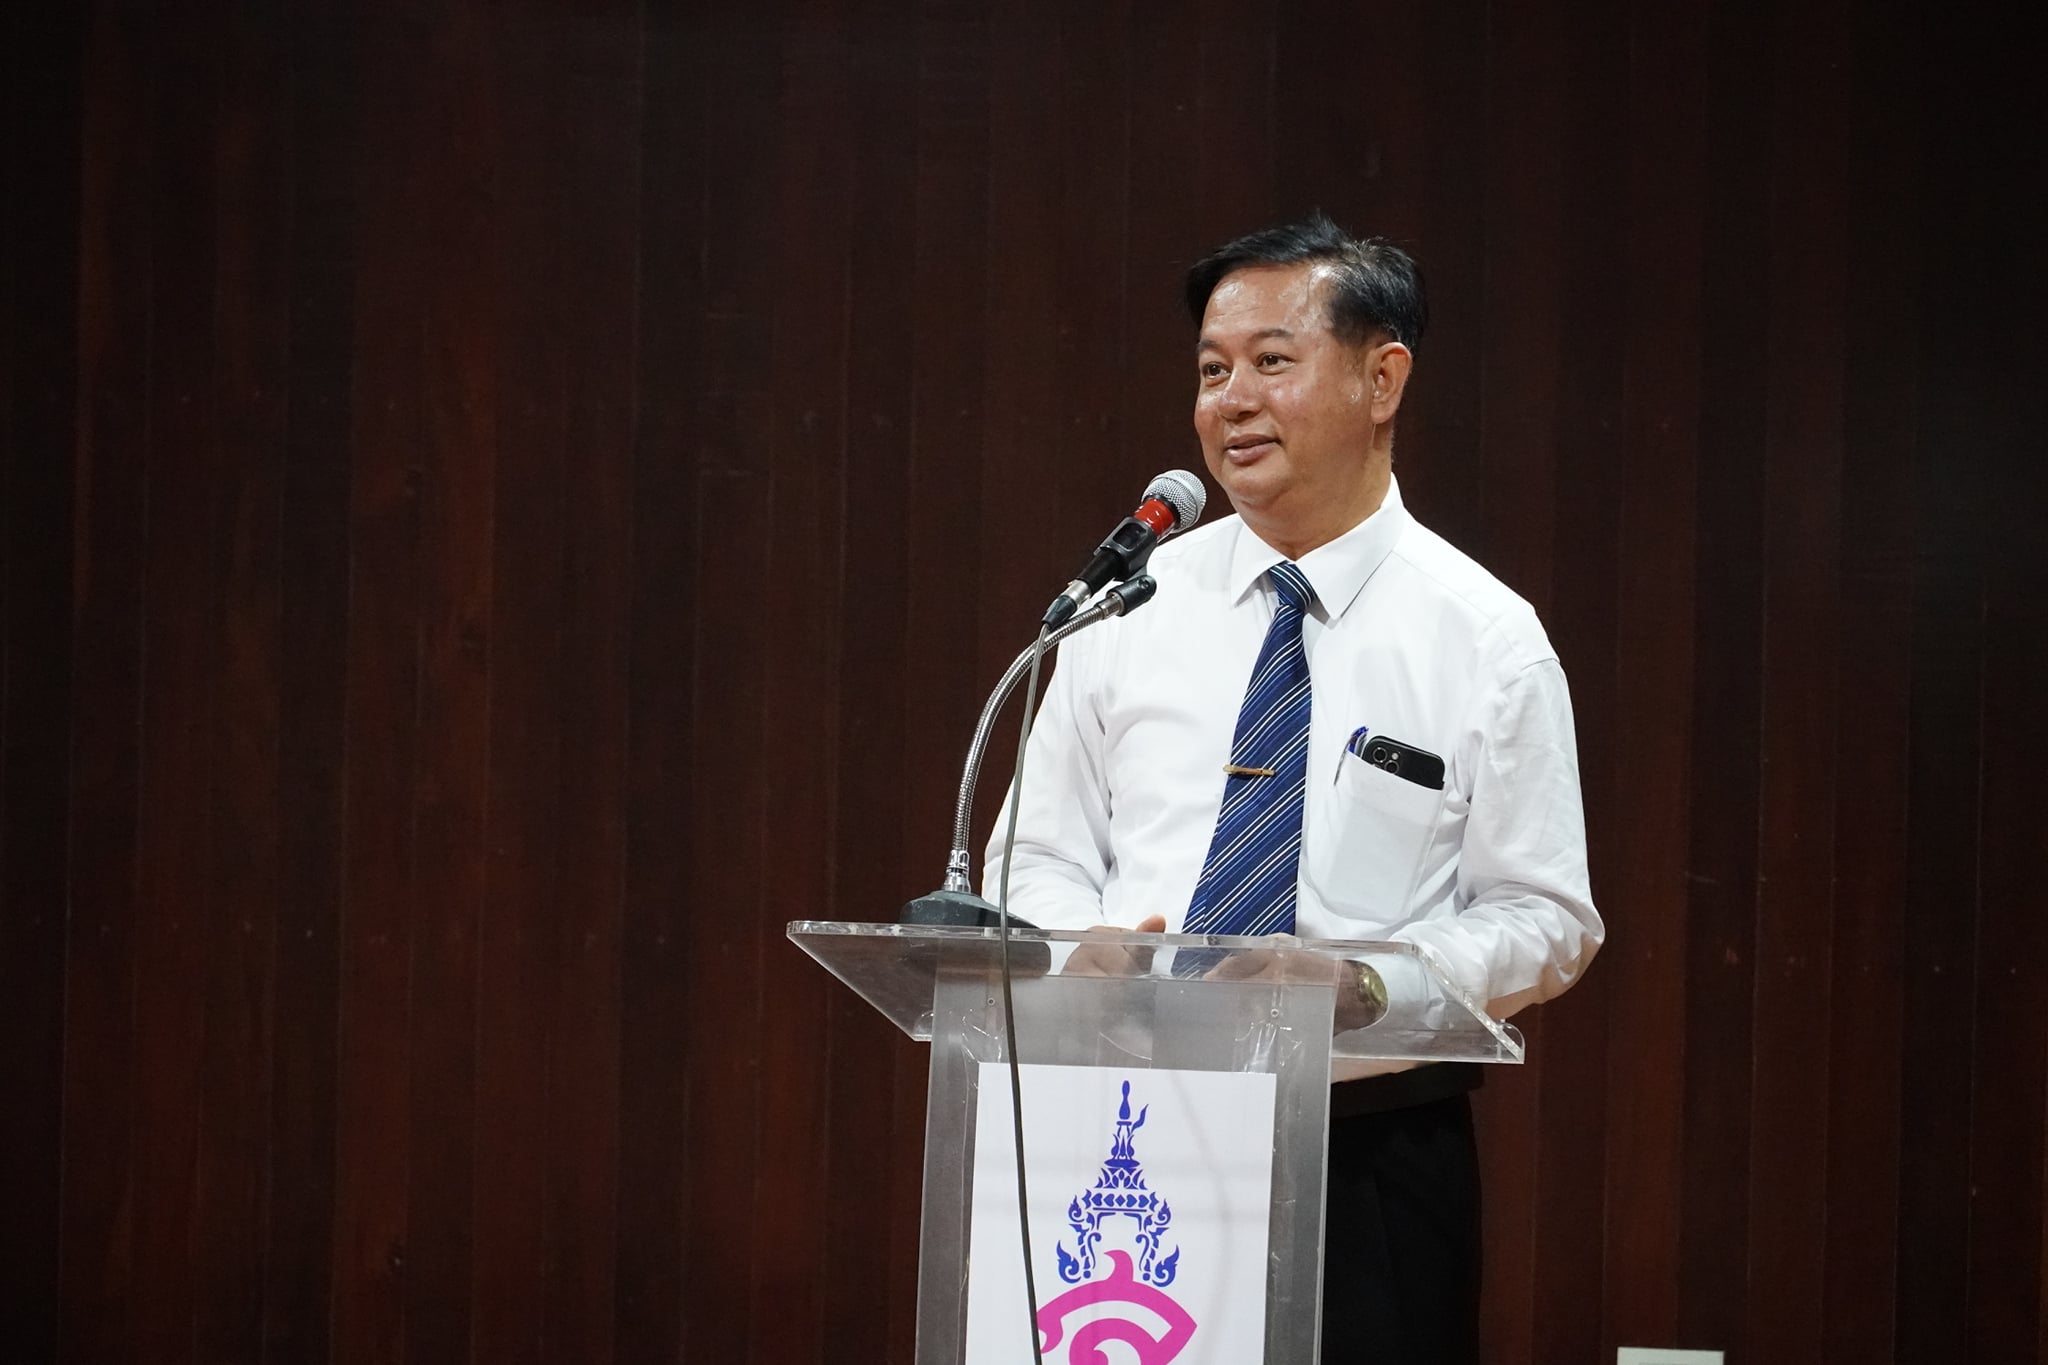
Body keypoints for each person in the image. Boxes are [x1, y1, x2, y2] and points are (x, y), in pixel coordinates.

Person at [983, 215, 1603, 1364]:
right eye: (1211, 371)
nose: (1231, 401)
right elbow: (1035, 854)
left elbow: (1544, 915)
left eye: (1271, 361)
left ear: (1382, 379)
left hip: (1365, 1155)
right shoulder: (1129, 605)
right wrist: (1080, 949)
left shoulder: (1483, 637)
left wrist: (1362, 984)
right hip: (1119, 1122)